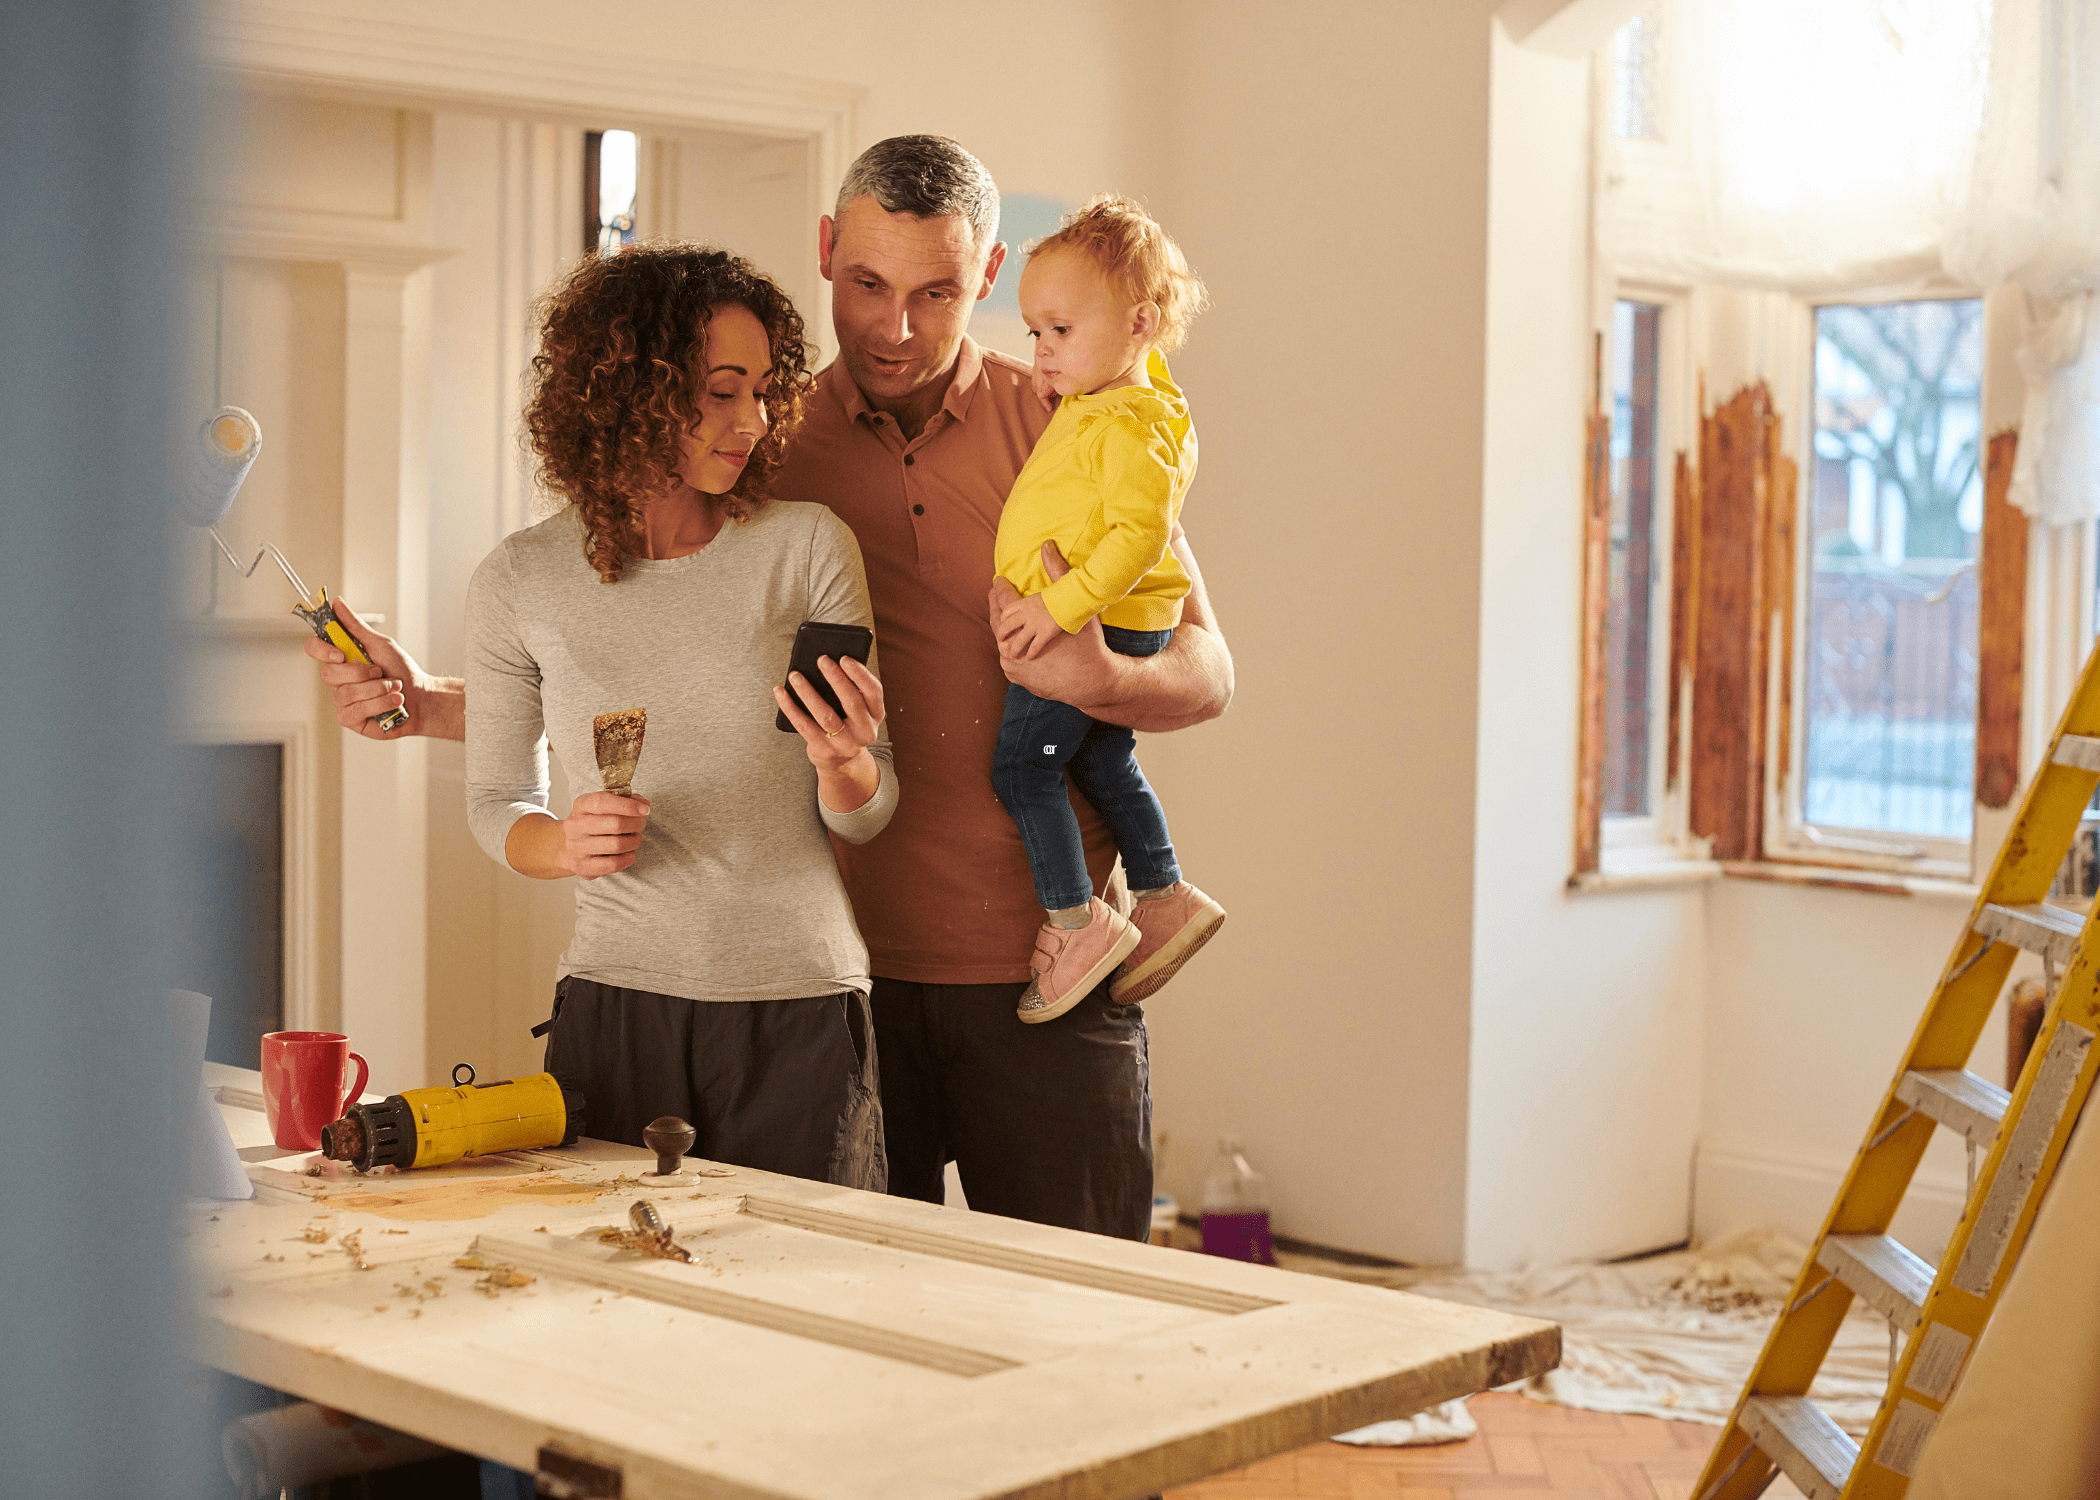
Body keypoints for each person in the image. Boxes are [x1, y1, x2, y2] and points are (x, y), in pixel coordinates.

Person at [308, 136, 1232, 1243]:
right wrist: (433, 703)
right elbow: (667, 671)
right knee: (838, 1348)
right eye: (869, 286)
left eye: (936, 292)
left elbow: (1204, 671)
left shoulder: (1069, 416)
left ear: (985, 278)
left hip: (1047, 967)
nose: (896, 326)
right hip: (833, 990)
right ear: (829, 254)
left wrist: (1097, 673)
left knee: (1086, 1327)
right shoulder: (758, 443)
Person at [466, 244, 896, 1188]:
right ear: (626, 394)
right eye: (720, 392)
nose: (756, 420)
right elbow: (496, 800)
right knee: (611, 1306)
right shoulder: (520, 579)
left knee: (804, 1307)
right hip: (615, 1007)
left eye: (765, 390)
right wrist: (566, 845)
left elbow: (868, 809)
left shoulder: (807, 547)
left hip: (800, 1002)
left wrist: (845, 765)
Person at [990, 193, 1226, 1025]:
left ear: (1139, 323)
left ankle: (1079, 923)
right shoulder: (1115, 399)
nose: (1043, 352)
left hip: (1099, 624)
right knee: (1100, 761)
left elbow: (1138, 535)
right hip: (1105, 616)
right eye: (1034, 333)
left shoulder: (1132, 424)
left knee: (1023, 768)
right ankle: (1163, 895)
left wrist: (1059, 607)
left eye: (1062, 330)